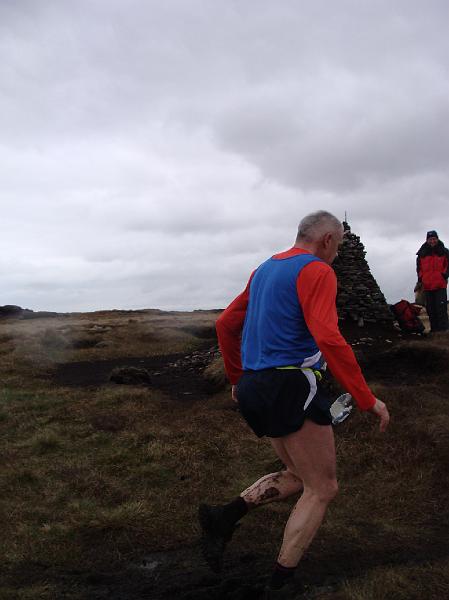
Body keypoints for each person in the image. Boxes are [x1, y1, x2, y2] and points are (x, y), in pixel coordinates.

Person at [198, 210, 390, 598]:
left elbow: (225, 324)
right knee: (323, 487)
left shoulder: (266, 269)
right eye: (337, 245)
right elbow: (329, 338)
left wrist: (237, 378)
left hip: (256, 386)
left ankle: (223, 518)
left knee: (298, 472)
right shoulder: (318, 271)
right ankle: (280, 583)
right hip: (291, 384)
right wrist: (368, 400)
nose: (336, 253)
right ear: (328, 241)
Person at [416, 230, 449, 332]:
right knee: (431, 310)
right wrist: (421, 279)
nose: (432, 241)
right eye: (430, 239)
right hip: (427, 286)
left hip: (440, 285)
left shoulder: (444, 251)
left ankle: (444, 332)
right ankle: (434, 331)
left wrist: (444, 275)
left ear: (437, 239)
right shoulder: (421, 253)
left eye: (434, 239)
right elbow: (419, 268)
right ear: (427, 240)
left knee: (441, 309)